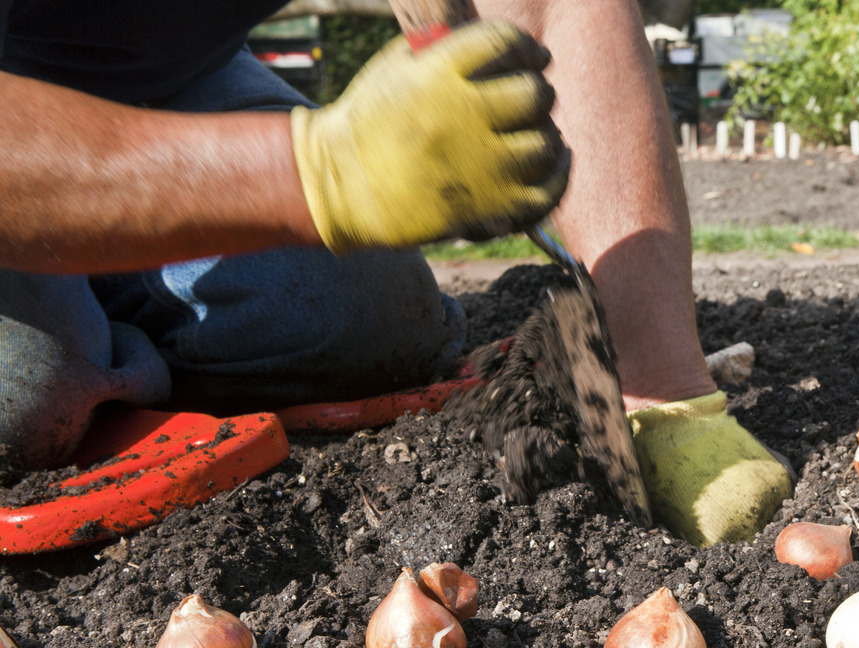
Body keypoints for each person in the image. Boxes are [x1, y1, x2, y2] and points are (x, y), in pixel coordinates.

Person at [0, 0, 791, 546]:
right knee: (26, 391)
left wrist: (663, 386)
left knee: (362, 317)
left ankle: (93, 279)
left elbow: (548, 8)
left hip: (163, 78)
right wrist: (318, 174)